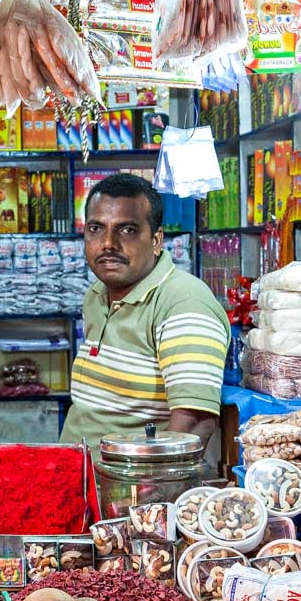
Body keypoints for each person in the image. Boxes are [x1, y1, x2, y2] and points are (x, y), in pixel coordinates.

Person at [61, 173, 229, 455]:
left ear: (156, 240)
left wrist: (147, 495)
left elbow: (194, 423)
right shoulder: (97, 295)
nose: (108, 244)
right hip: (77, 479)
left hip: (129, 491)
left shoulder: (183, 302)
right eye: (96, 228)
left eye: (127, 230)